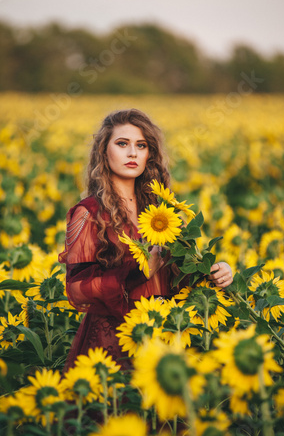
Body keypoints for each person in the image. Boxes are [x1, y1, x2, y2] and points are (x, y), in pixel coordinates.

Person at [58, 109, 233, 372]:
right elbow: (77, 288)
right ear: (104, 152)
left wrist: (214, 272)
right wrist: (139, 270)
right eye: (122, 144)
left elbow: (178, 276)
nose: (132, 153)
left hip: (165, 336)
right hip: (115, 342)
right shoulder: (90, 213)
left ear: (149, 153)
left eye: (141, 145)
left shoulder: (164, 212)